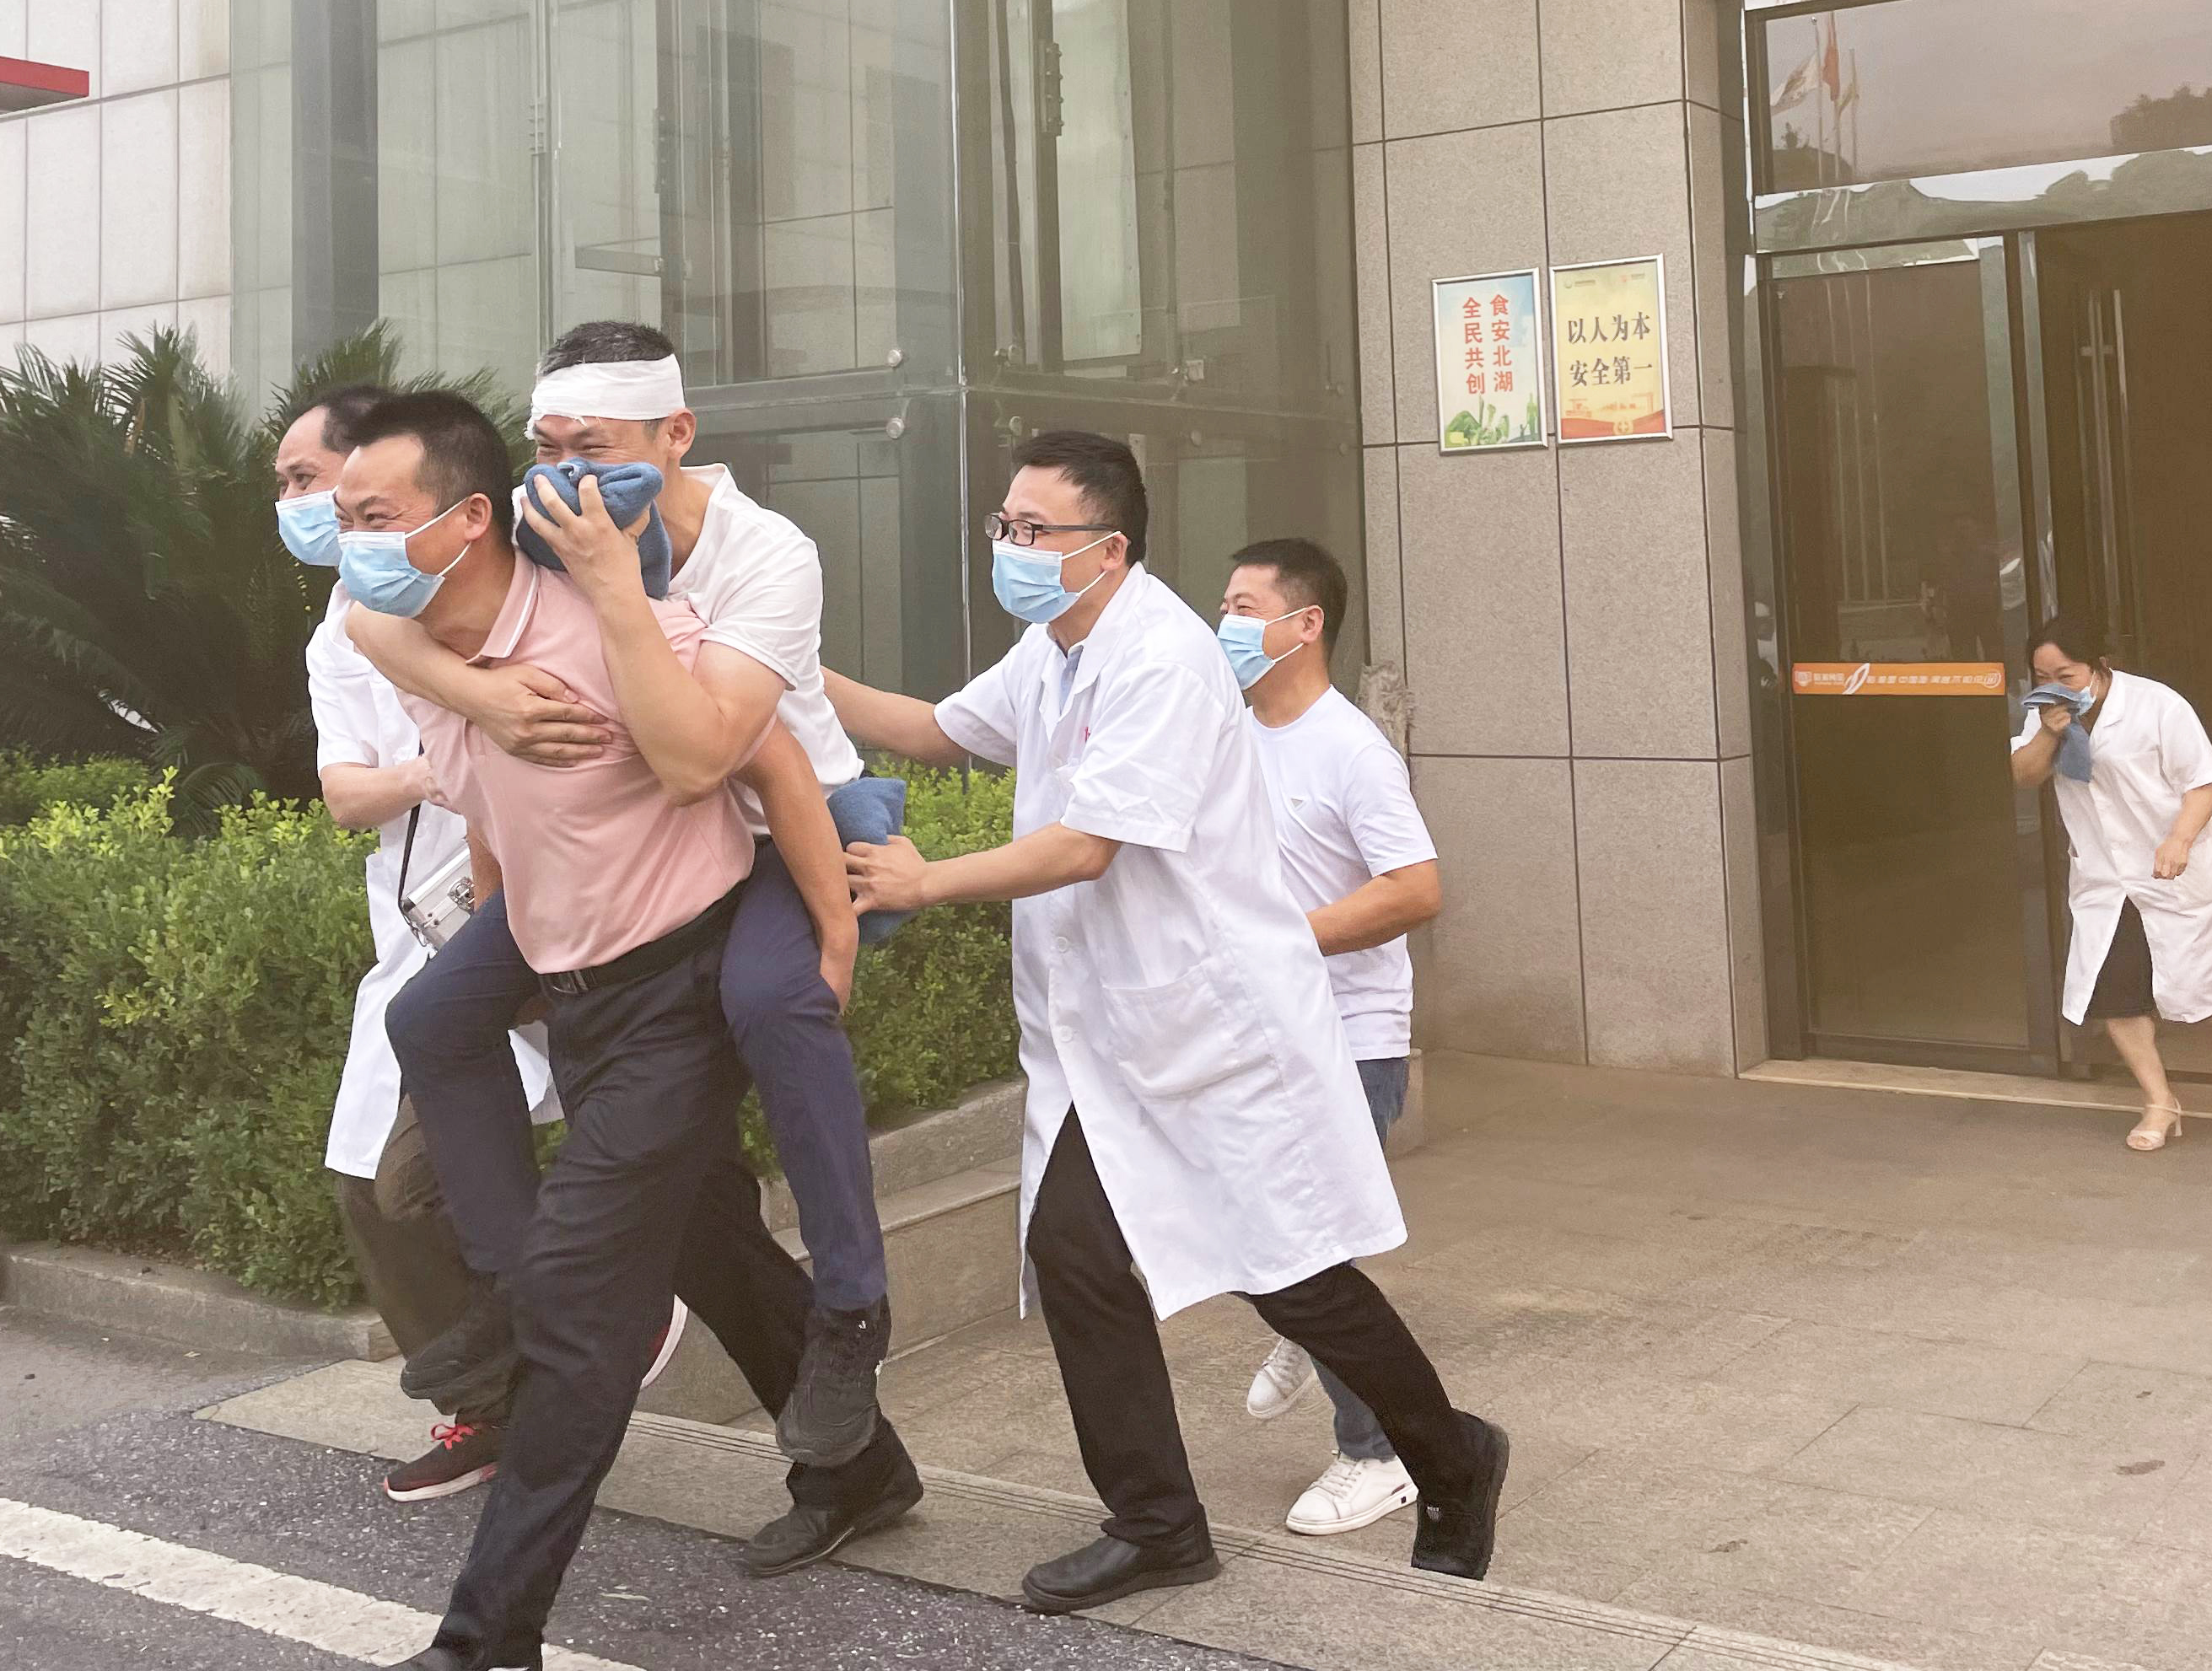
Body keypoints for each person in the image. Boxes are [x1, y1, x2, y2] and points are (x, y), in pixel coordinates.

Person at [826, 430, 1512, 1615]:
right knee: (1079, 1255)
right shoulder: (1053, 648)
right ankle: (1157, 1523)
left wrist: (925, 879)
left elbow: (1089, 845)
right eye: (1004, 526)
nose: (1010, 548)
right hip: (1113, 1040)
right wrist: (785, 668)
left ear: (1109, 549)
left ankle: (1449, 1453)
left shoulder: (1164, 660)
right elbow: (937, 727)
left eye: (1035, 531)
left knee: (1287, 1272)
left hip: (1210, 1033)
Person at [335, 393, 913, 1671]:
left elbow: (765, 761)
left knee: (580, 1329)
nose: (348, 541)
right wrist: (518, 933)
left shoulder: (608, 629)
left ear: (467, 519)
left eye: (374, 515)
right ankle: (863, 1470)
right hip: (576, 982)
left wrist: (829, 935)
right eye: (343, 516)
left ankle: (488, 1638)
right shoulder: (412, 637)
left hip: (675, 996)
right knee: (695, 1225)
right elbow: (480, 784)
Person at [275, 382, 563, 1502]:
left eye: (313, 482)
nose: (302, 508)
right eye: (296, 491)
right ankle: (497, 1400)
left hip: (522, 922)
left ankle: (575, 1336)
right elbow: (346, 793)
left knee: (424, 1179)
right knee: (371, 1188)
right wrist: (439, 767)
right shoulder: (341, 629)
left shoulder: (506, 596)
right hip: (416, 942)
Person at [1214, 537, 1445, 1539]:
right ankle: (1311, 1325)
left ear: (1304, 624)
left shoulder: (1351, 750)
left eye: (1242, 606)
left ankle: (1380, 1454)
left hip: (1349, 1039)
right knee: (1231, 1225)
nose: (1222, 623)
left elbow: (1416, 889)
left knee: (1299, 1251)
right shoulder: (1226, 733)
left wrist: (1281, 940)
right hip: (1250, 1032)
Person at [2008, 612, 2212, 1153]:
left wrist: (2179, 838)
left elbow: (2204, 783)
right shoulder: (2044, 713)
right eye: (2043, 677)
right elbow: (2024, 773)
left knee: (2203, 998)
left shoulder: (2158, 705)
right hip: (2107, 879)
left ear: (2098, 665)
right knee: (2116, 998)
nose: (2055, 686)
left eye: (2066, 675)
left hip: (2169, 869)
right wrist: (2049, 732)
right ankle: (2160, 1101)